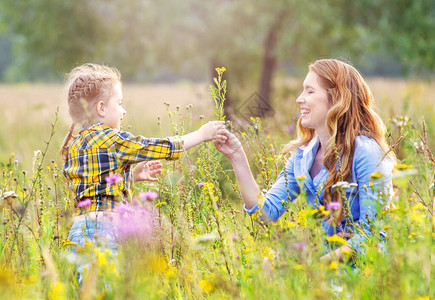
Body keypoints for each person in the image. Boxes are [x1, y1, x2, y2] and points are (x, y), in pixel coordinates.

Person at [60, 63, 226, 284]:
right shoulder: (112, 138)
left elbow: (96, 183)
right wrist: (200, 134)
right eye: (119, 103)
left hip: (78, 233)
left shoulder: (76, 143)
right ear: (101, 108)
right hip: (103, 231)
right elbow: (156, 147)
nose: (123, 110)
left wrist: (132, 176)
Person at [214, 58, 395, 261]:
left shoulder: (366, 152)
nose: (300, 99)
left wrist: (315, 267)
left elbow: (373, 237)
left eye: (310, 91)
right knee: (271, 261)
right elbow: (266, 213)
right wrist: (237, 156)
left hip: (356, 269)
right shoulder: (302, 155)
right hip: (322, 263)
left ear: (336, 97)